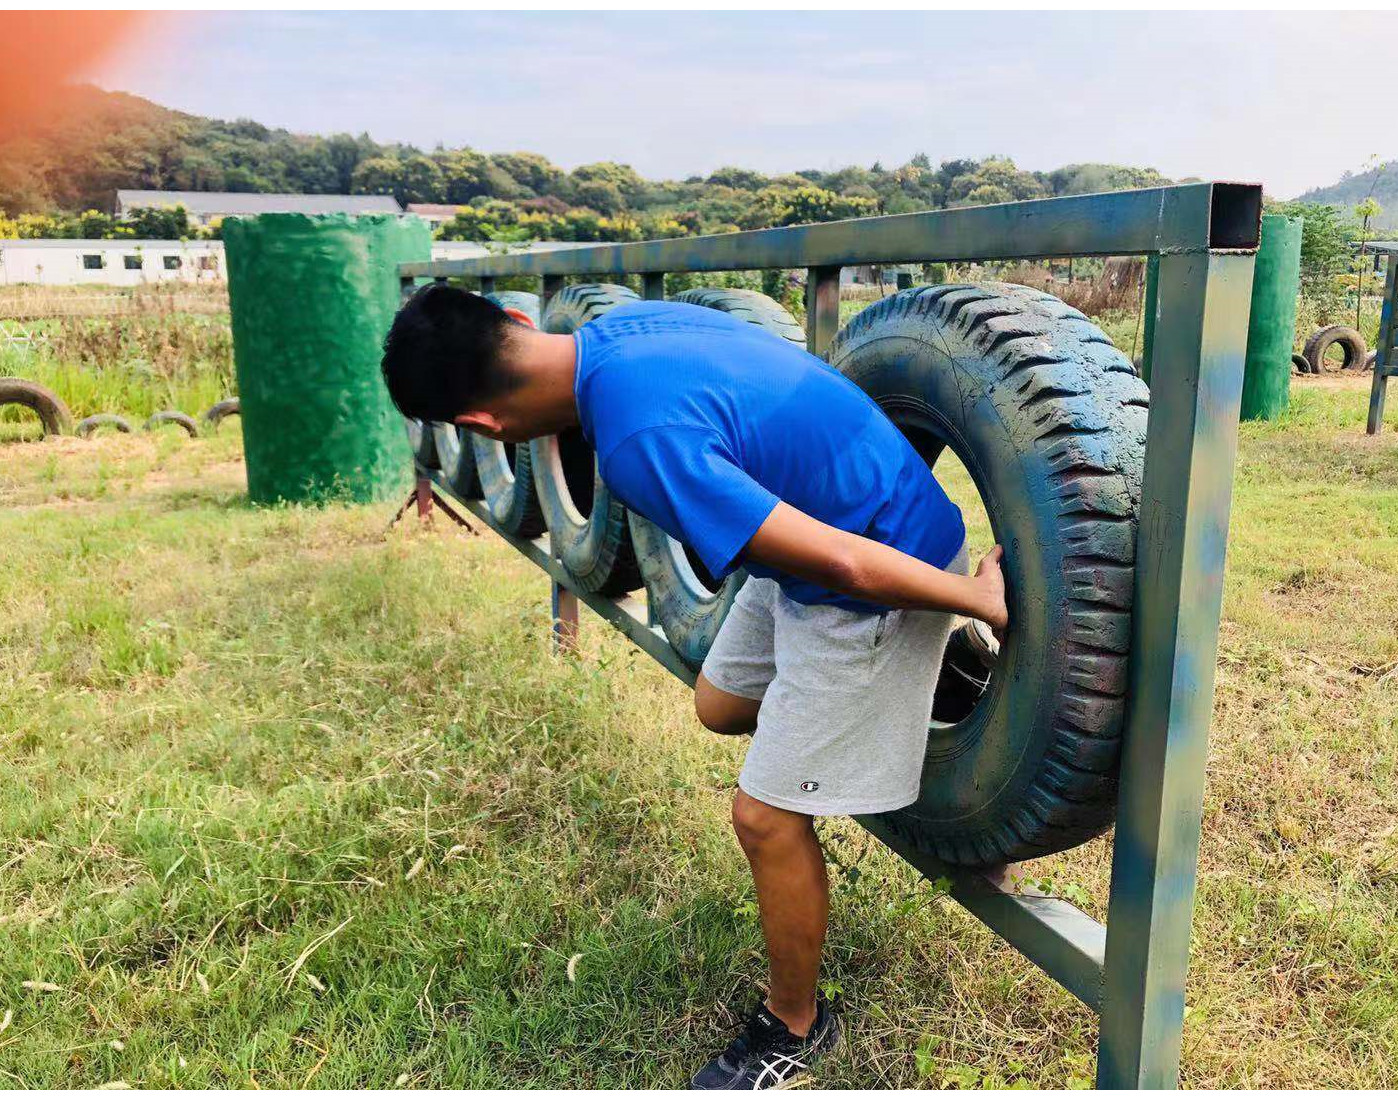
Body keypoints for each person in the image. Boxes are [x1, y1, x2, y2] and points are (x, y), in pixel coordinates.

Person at [379, 285, 1007, 1090]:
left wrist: (973, 600)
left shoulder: (636, 442)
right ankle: (928, 684)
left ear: (481, 428)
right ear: (523, 325)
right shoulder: (620, 330)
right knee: (717, 705)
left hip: (881, 575)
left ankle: (794, 1028)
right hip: (820, 548)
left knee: (765, 816)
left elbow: (846, 563)